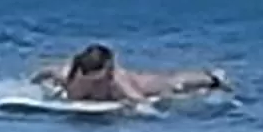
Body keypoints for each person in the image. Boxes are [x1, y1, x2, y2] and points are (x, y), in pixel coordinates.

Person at [34, 44, 227, 105]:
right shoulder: (69, 74)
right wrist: (32, 86)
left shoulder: (118, 81)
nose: (92, 81)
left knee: (174, 84)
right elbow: (45, 72)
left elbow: (140, 101)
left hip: (144, 85)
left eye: (97, 77)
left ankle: (213, 78)